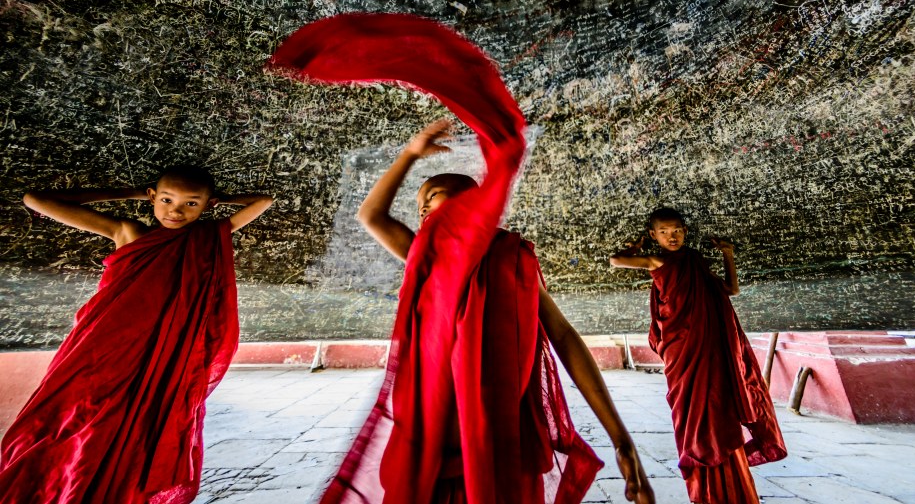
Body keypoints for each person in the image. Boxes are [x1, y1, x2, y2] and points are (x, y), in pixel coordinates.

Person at [321, 120, 655, 504]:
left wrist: (621, 440)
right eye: (420, 206)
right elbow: (372, 216)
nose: (425, 206)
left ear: (471, 200)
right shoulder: (425, 256)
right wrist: (409, 154)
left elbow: (563, 337)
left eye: (435, 194)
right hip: (434, 435)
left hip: (501, 433)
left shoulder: (511, 258)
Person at [0, 165, 273, 504]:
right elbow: (36, 199)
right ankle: (48, 484)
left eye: (191, 204)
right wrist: (128, 192)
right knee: (70, 414)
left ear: (208, 206)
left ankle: (101, 490)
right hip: (100, 345)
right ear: (152, 197)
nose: (175, 211)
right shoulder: (128, 231)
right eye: (167, 200)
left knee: (131, 424)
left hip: (158, 355)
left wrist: (220, 202)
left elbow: (264, 200)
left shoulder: (206, 236)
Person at [610, 208, 786, 504]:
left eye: (677, 230)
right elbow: (615, 261)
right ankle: (706, 487)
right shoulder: (658, 260)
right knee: (692, 417)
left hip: (713, 350)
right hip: (683, 354)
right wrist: (633, 249)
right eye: (664, 232)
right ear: (654, 235)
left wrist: (728, 254)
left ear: (686, 231)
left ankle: (731, 487)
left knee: (719, 409)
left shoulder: (696, 262)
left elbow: (730, 289)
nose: (672, 236)